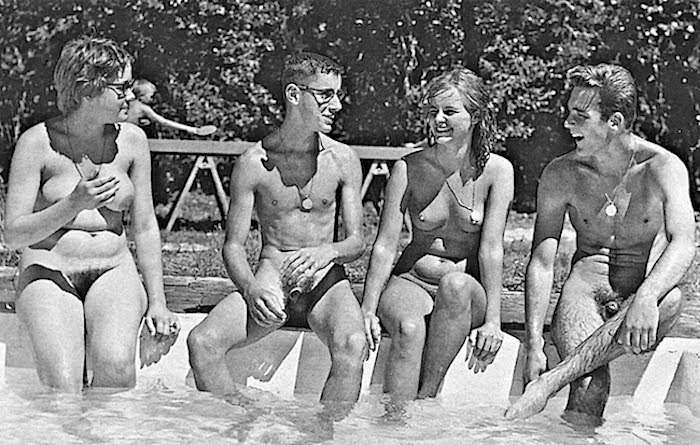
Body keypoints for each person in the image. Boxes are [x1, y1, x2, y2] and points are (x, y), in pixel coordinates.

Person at [505, 63, 695, 420]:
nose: (567, 123)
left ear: (615, 122)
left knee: (670, 299)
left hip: (640, 291)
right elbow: (542, 262)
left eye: (580, 116)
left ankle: (549, 384)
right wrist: (533, 342)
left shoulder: (663, 168)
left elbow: (684, 243)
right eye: (568, 113)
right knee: (590, 384)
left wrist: (646, 296)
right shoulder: (561, 173)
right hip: (585, 289)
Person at [187, 52, 367, 403]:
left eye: (337, 95)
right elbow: (233, 245)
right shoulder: (253, 163)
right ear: (294, 94)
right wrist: (250, 288)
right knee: (202, 342)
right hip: (272, 277)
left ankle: (325, 430)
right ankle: (240, 419)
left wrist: (328, 251)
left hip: (326, 281)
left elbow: (357, 241)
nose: (337, 105)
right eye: (325, 95)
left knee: (354, 344)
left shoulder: (343, 159)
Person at [3, 37, 179, 392]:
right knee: (62, 386)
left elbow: (145, 227)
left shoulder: (132, 141)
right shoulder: (37, 143)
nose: (130, 96)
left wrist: (158, 302)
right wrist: (72, 204)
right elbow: (13, 234)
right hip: (49, 271)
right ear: (87, 90)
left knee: (116, 370)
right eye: (121, 87)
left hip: (113, 268)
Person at [361, 68, 514, 402]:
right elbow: (385, 245)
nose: (438, 120)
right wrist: (368, 309)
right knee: (408, 329)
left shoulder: (497, 172)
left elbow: (491, 250)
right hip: (412, 280)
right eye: (433, 112)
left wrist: (493, 322)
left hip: (464, 290)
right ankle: (395, 420)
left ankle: (425, 401)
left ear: (475, 116)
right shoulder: (408, 168)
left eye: (449, 111)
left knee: (455, 286)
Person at [125, 79, 216, 136]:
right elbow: (164, 122)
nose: (153, 99)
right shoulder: (144, 109)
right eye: (151, 96)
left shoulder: (127, 103)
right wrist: (191, 129)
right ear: (141, 96)